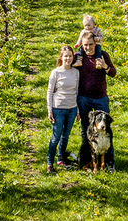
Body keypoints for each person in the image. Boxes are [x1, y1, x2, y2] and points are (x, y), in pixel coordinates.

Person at [75, 33, 117, 172]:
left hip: (101, 97)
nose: (88, 48)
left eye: (90, 45)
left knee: (106, 129)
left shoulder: (102, 55)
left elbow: (113, 72)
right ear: (82, 44)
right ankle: (88, 160)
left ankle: (109, 162)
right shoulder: (78, 56)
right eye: (85, 45)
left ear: (95, 43)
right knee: (85, 129)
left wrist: (105, 66)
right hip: (83, 97)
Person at [46, 45, 80, 173]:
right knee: (56, 136)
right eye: (66, 56)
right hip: (58, 108)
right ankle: (50, 163)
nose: (68, 58)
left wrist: (77, 111)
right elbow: (49, 92)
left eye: (70, 56)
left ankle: (60, 159)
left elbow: (77, 91)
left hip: (71, 108)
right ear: (61, 57)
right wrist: (50, 110)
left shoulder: (76, 72)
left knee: (65, 136)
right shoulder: (56, 72)